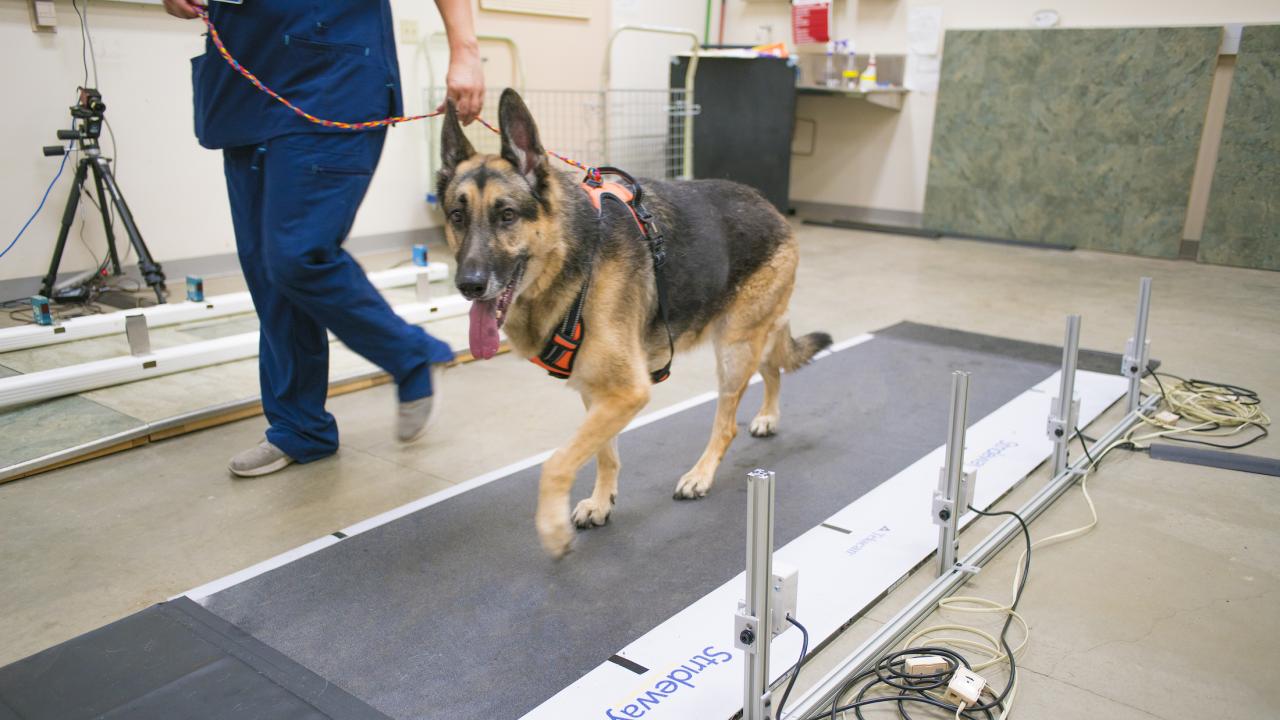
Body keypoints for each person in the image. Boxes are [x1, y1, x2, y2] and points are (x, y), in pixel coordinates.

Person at [163, 0, 484, 476]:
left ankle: (413, 355)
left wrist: (465, 47)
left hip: (330, 78)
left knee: (298, 254)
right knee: (268, 275)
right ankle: (300, 428)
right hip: (245, 87)